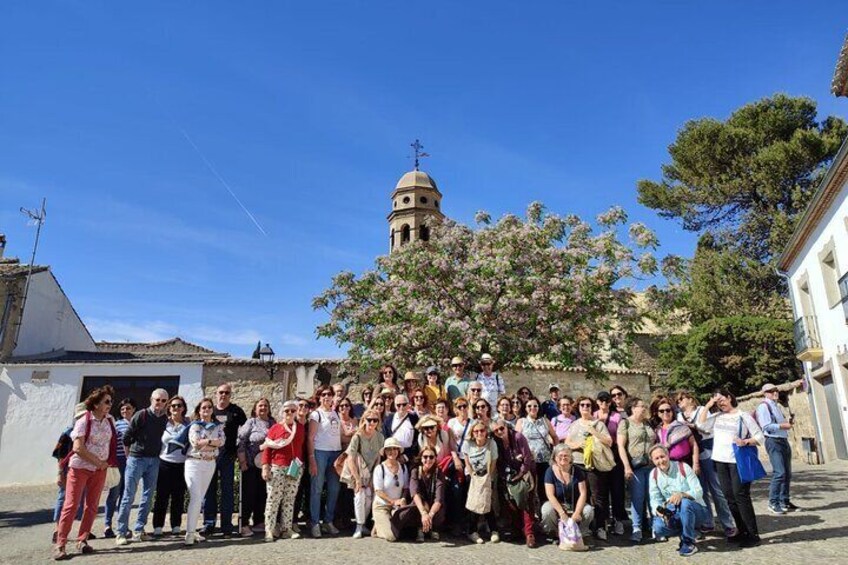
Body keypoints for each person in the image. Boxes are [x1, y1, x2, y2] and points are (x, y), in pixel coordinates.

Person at [53, 386, 117, 560]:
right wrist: (98, 462)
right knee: (71, 505)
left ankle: (82, 540)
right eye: (106, 401)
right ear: (96, 404)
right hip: (80, 467)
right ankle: (61, 543)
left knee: (92, 505)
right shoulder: (84, 420)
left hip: (100, 470)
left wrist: (106, 463)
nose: (110, 404)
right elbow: (78, 448)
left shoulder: (110, 420)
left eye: (111, 401)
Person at [698, 389, 764, 548]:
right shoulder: (717, 417)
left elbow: (759, 436)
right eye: (718, 402)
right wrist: (708, 405)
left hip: (737, 461)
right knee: (729, 497)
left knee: (740, 496)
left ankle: (753, 534)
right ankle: (741, 531)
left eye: (722, 400)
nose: (721, 404)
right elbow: (701, 424)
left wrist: (745, 441)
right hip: (720, 461)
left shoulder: (743, 415)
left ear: (730, 397)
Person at [676, 391, 736, 537]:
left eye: (681, 399)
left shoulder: (703, 410)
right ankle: (708, 521)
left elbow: (710, 430)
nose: (679, 402)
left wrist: (694, 426)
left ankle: (727, 523)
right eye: (677, 401)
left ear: (690, 399)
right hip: (692, 455)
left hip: (707, 451)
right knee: (701, 491)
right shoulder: (679, 416)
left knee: (716, 489)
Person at [115, 388, 169, 546]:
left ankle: (139, 529)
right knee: (128, 496)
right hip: (136, 459)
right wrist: (130, 455)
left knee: (148, 496)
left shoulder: (164, 418)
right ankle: (121, 532)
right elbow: (127, 437)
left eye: (163, 400)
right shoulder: (141, 415)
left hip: (154, 460)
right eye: (157, 399)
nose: (160, 403)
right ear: (151, 399)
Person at [648, 445, 711, 557]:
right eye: (656, 458)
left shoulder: (683, 467)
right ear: (652, 461)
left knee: (685, 503)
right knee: (658, 528)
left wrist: (683, 495)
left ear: (668, 455)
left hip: (697, 510)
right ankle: (688, 531)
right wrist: (658, 511)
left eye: (662, 456)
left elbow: (698, 491)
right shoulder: (654, 474)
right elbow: (654, 498)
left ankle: (688, 542)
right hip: (673, 510)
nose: (660, 461)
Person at [566, 396, 613, 540]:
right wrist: (578, 445)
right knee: (579, 495)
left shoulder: (598, 424)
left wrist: (594, 432)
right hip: (577, 464)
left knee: (597, 496)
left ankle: (600, 526)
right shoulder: (574, 424)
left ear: (592, 407)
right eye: (582, 405)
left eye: (588, 405)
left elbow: (609, 442)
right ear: (578, 408)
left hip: (594, 465)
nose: (585, 407)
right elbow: (567, 442)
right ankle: (582, 525)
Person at [202, 383, 247, 537]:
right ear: (216, 393)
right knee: (209, 491)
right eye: (221, 392)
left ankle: (226, 526)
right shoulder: (210, 410)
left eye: (227, 392)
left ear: (230, 395)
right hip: (210, 456)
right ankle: (209, 524)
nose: (224, 395)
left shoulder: (236, 411)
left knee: (227, 492)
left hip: (228, 457)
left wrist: (240, 451)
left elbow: (245, 431)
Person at [262, 400, 306, 542]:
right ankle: (269, 528)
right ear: (282, 412)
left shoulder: (300, 428)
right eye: (287, 410)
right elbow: (268, 448)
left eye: (293, 410)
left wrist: (300, 465)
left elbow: (301, 447)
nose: (290, 413)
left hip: (294, 467)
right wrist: (265, 466)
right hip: (277, 466)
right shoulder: (275, 428)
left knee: (289, 499)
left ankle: (286, 528)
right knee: (273, 499)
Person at [183, 398, 225, 546]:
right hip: (194, 463)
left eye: (209, 407)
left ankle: (193, 532)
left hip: (210, 464)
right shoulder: (195, 426)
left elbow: (221, 442)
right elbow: (196, 444)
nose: (206, 410)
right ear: (199, 411)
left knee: (200, 498)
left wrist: (206, 443)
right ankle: (189, 534)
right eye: (203, 408)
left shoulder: (217, 426)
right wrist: (211, 443)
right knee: (195, 497)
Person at [616, 396, 656, 543]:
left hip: (652, 466)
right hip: (636, 467)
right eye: (641, 406)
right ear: (633, 408)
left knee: (653, 497)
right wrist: (626, 466)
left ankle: (655, 526)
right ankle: (637, 528)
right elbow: (621, 446)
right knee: (637, 498)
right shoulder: (625, 423)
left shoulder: (648, 423)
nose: (644, 408)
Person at [492, 419, 537, 547]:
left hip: (525, 473)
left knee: (525, 501)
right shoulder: (498, 442)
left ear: (506, 427)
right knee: (511, 502)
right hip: (509, 475)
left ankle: (529, 533)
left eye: (501, 428)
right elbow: (500, 461)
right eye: (496, 430)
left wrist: (520, 474)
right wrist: (506, 475)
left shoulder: (518, 437)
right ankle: (517, 530)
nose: (499, 432)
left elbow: (527, 458)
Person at [237, 398, 275, 537]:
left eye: (265, 405)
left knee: (263, 494)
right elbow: (241, 441)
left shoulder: (273, 423)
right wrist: (243, 462)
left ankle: (259, 521)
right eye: (260, 406)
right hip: (251, 464)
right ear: (255, 408)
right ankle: (244, 523)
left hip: (267, 465)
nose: (263, 408)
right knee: (249, 494)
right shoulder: (251, 422)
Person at [308, 385, 343, 538]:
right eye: (324, 394)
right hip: (320, 452)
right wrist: (311, 458)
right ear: (319, 397)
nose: (327, 397)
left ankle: (328, 521)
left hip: (335, 453)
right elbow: (310, 437)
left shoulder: (335, 413)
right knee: (317, 488)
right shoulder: (316, 414)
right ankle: (315, 522)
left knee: (334, 489)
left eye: (329, 394)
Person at [152, 395, 188, 537]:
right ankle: (158, 525)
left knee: (178, 496)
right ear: (169, 408)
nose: (176, 408)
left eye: (179, 405)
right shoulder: (163, 424)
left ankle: (176, 525)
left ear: (183, 408)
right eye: (173, 406)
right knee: (162, 496)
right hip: (164, 463)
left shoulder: (188, 424)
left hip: (181, 464)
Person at [758, 383, 798, 513]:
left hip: (783, 440)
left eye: (776, 390)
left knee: (787, 473)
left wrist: (788, 423)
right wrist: (782, 426)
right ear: (765, 393)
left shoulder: (776, 406)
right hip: (773, 441)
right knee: (779, 472)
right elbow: (765, 426)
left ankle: (784, 501)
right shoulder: (764, 407)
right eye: (770, 391)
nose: (775, 393)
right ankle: (773, 502)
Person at [541, 444, 594, 539]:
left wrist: (577, 512)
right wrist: (561, 513)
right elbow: (550, 494)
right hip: (558, 505)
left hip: (574, 504)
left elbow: (583, 493)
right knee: (546, 510)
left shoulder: (578, 471)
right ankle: (555, 533)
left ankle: (580, 533)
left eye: (566, 455)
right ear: (555, 458)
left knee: (588, 510)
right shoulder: (550, 471)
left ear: (571, 458)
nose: (563, 458)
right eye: (560, 456)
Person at [394, 446, 446, 541]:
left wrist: (429, 516)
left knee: (439, 508)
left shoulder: (439, 473)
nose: (428, 460)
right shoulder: (415, 471)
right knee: (415, 507)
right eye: (425, 457)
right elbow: (414, 493)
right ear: (421, 458)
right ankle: (419, 528)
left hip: (433, 507)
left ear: (435, 458)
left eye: (431, 457)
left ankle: (432, 527)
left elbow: (438, 498)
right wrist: (423, 513)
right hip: (419, 506)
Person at [347, 409, 385, 539]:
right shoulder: (357, 436)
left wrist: (373, 477)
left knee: (369, 497)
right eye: (370, 420)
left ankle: (362, 524)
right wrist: (357, 478)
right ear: (364, 420)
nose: (372, 423)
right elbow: (350, 458)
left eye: (375, 420)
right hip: (357, 470)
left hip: (370, 471)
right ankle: (358, 525)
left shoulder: (380, 437)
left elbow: (378, 458)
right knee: (359, 496)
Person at [52, 404, 87, 544]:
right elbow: (60, 454)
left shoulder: (89, 432)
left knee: (81, 500)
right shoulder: (67, 433)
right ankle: (57, 529)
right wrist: (60, 473)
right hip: (68, 469)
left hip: (84, 469)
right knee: (63, 498)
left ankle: (79, 531)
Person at [595, 390, 628, 536]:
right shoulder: (594, 415)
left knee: (617, 489)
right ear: (597, 402)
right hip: (599, 455)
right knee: (600, 490)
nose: (604, 403)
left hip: (614, 454)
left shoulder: (617, 417)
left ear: (610, 402)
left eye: (606, 400)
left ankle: (618, 520)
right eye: (601, 400)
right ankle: (602, 521)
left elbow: (620, 436)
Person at [103, 398, 136, 538]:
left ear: (133, 409)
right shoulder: (117, 425)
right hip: (118, 461)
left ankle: (122, 525)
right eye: (122, 409)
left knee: (126, 495)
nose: (125, 411)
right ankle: (107, 525)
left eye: (128, 408)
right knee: (114, 494)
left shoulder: (137, 423)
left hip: (133, 461)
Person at [463, 421, 499, 544]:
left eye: (482, 431)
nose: (479, 433)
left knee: (487, 502)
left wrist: (488, 477)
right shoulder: (468, 444)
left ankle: (494, 530)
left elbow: (494, 461)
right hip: (473, 476)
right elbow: (467, 461)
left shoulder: (491, 443)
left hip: (487, 475)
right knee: (474, 503)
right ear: (473, 433)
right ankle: (472, 531)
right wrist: (472, 473)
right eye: (476, 431)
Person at [516, 397, 557, 504]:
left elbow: (554, 437)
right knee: (530, 486)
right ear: (525, 408)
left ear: (539, 408)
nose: (532, 408)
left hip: (545, 459)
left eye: (535, 406)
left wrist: (556, 451)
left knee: (544, 486)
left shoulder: (545, 421)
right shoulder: (521, 422)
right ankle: (531, 512)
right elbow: (516, 440)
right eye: (529, 406)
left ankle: (545, 509)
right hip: (529, 460)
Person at [372, 438, 410, 542]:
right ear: (384, 452)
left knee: (407, 533)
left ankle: (383, 523)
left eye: (394, 449)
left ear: (398, 451)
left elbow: (405, 488)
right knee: (392, 537)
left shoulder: (403, 468)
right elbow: (378, 491)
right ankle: (378, 527)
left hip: (397, 507)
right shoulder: (380, 468)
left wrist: (402, 499)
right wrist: (392, 501)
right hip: (382, 506)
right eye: (388, 449)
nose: (391, 452)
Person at [655, 397, 700, 470]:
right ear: (658, 414)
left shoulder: (682, 426)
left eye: (668, 410)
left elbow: (694, 445)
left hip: (687, 463)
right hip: (669, 465)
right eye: (661, 411)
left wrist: (696, 464)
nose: (665, 412)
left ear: (672, 412)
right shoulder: (658, 431)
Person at [335, 396, 359, 532]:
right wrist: (350, 434)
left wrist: (350, 435)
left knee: (350, 488)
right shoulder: (337, 421)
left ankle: (347, 517)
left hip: (353, 457)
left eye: (347, 406)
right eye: (342, 406)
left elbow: (357, 436)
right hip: (340, 456)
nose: (344, 408)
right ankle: (338, 518)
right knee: (340, 488)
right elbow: (340, 438)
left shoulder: (354, 420)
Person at [382, 393, 419, 462]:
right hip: (392, 455)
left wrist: (406, 456)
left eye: (404, 404)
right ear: (395, 406)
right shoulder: (389, 419)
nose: (401, 407)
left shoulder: (414, 418)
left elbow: (417, 439)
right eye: (398, 405)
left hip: (408, 456)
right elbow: (385, 437)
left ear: (408, 405)